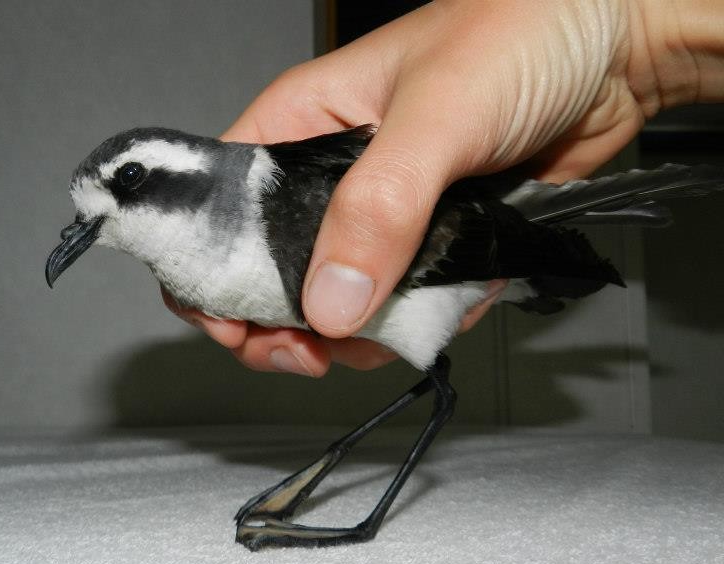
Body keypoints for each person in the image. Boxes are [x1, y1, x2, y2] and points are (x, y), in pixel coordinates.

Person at [162, 0, 724, 377]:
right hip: (470, 230)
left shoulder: (273, 206)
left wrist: (620, 24)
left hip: (472, 232)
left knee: (428, 379)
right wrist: (630, 33)